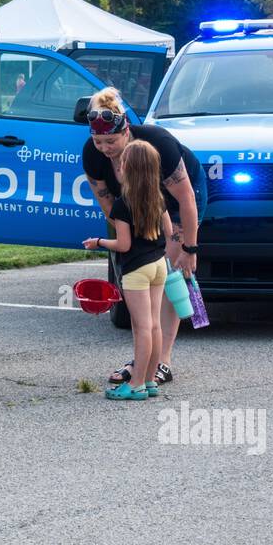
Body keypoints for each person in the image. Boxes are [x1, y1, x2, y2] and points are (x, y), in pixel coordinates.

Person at [83, 87, 205, 385]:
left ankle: (162, 361)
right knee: (143, 275)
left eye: (111, 141)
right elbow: (110, 207)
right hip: (138, 209)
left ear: (127, 131)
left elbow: (186, 198)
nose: (105, 148)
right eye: (99, 141)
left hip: (175, 202)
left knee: (170, 274)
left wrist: (189, 247)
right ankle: (144, 361)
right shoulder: (93, 155)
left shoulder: (158, 143)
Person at [84, 139, 172, 400]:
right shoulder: (158, 197)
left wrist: (97, 242)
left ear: (125, 169)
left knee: (141, 327)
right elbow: (168, 231)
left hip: (137, 270)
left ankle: (135, 384)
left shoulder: (123, 204)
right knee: (154, 325)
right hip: (158, 265)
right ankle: (149, 380)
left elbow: (123, 244)